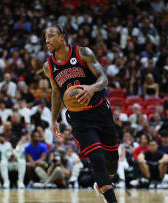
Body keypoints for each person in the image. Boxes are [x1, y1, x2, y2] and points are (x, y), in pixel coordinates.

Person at [43, 24, 118, 202]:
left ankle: (104, 182)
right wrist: (54, 119)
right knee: (97, 157)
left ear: (62, 37)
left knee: (112, 160)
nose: (47, 40)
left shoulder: (83, 53)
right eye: (45, 37)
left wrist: (92, 89)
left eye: (51, 36)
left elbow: (103, 78)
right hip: (79, 118)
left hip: (100, 111)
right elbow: (56, 93)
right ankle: (111, 199)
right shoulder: (49, 66)